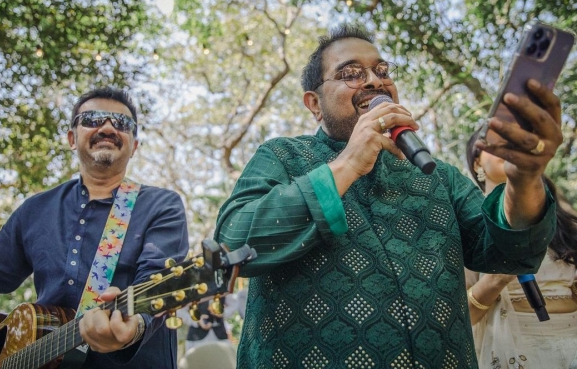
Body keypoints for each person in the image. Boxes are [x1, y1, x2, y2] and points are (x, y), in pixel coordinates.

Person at [213, 24, 563, 368]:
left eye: (381, 70)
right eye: (351, 73)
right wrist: (349, 163)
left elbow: (511, 252)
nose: (373, 81)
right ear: (314, 104)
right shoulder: (282, 157)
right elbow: (233, 243)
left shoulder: (440, 175)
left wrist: (525, 179)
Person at [0, 87, 189, 368]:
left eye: (122, 123)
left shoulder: (161, 205)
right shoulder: (35, 210)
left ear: (134, 145)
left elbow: (157, 279)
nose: (108, 127)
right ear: (71, 138)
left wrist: (134, 325)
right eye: (92, 119)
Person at [465, 130, 577, 368]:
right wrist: (497, 279)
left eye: (513, 143)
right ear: (477, 161)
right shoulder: (467, 225)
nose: (507, 148)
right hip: (513, 351)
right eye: (494, 143)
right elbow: (461, 318)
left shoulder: (565, 219)